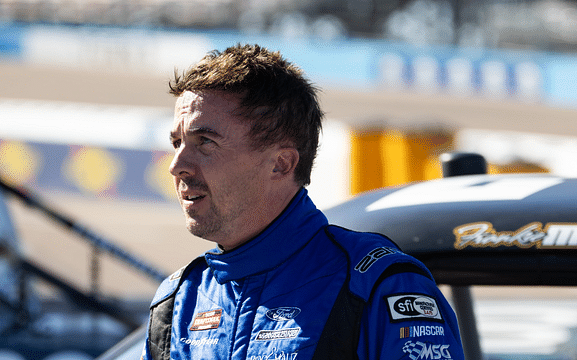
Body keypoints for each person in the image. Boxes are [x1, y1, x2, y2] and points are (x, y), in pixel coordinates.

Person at [142, 44, 464, 360]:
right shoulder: (178, 302)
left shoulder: (378, 286)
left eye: (206, 142)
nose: (176, 165)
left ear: (281, 163)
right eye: (177, 143)